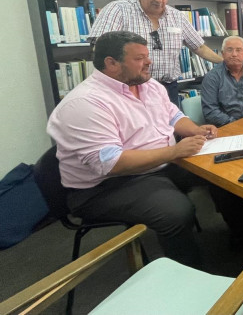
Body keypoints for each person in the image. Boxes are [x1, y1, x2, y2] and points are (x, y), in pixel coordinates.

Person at [47, 31, 219, 269]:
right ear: (111, 63)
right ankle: (188, 276)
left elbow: (173, 116)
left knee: (223, 168)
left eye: (147, 56)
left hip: (158, 165)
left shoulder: (148, 85)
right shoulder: (86, 103)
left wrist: (196, 130)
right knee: (176, 212)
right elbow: (112, 164)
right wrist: (174, 152)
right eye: (139, 58)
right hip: (105, 186)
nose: (149, 62)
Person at [88, 0, 223, 105]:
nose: (159, 0)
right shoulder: (118, 10)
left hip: (168, 88)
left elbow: (199, 47)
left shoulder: (177, 16)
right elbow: (100, 48)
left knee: (170, 125)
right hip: (131, 88)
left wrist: (223, 62)